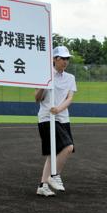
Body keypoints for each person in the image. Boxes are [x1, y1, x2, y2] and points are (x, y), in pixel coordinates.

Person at [35, 46, 77, 197]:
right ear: (54, 59)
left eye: (67, 59)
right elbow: (37, 98)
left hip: (62, 118)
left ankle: (43, 185)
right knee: (67, 147)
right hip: (47, 118)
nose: (65, 61)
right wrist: (44, 85)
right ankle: (54, 176)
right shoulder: (45, 75)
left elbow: (70, 98)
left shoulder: (70, 78)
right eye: (62, 58)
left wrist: (59, 109)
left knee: (54, 153)